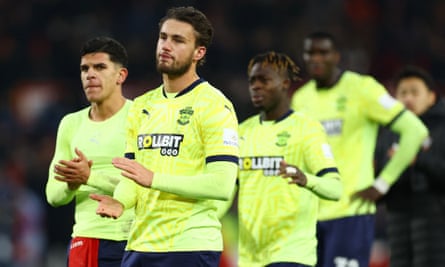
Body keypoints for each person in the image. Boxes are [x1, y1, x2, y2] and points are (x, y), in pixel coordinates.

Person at [90, 6, 239, 267]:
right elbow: (133, 177)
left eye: (178, 40)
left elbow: (222, 185)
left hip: (189, 246)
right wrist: (120, 201)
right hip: (140, 245)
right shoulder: (141, 106)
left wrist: (155, 179)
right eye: (163, 37)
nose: (166, 45)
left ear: (199, 52)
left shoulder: (215, 105)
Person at [290, 32, 429, 267]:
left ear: (336, 56)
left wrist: (382, 184)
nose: (316, 59)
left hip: (350, 214)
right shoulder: (301, 99)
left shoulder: (362, 89)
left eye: (323, 52)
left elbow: (415, 131)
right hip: (308, 217)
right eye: (310, 53)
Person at [236, 51, 342, 267]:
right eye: (252, 81)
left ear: (285, 83)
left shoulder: (307, 129)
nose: (255, 86)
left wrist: (307, 179)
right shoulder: (241, 132)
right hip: (249, 258)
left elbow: (335, 188)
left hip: (292, 254)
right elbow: (227, 191)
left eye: (264, 80)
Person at [45, 36, 134, 267]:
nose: (90, 75)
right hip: (88, 238)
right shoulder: (70, 123)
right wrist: (71, 184)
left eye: (100, 67)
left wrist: (89, 178)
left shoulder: (141, 118)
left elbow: (149, 186)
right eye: (85, 68)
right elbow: (53, 196)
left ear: (121, 75)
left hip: (136, 238)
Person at [375, 65, 445, 267]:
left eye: (415, 92)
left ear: (431, 97)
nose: (408, 98)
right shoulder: (389, 132)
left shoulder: (442, 128)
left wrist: (416, 159)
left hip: (435, 219)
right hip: (397, 219)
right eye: (402, 93)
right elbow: (380, 175)